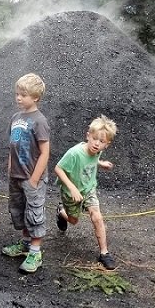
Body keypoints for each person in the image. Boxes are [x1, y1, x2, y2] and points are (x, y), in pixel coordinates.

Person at [1, 74, 51, 274]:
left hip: (33, 177)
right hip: (16, 175)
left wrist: (34, 179)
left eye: (23, 95)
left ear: (35, 97)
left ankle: (36, 252)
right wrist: (10, 165)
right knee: (19, 211)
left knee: (34, 213)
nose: (18, 98)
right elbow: (13, 144)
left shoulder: (39, 121)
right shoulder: (16, 118)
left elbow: (45, 152)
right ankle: (25, 244)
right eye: (17, 94)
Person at [55, 115, 119, 270]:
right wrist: (72, 188)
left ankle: (104, 253)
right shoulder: (74, 153)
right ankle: (61, 212)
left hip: (89, 189)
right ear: (88, 136)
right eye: (95, 138)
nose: (97, 143)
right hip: (71, 192)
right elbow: (58, 168)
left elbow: (91, 160)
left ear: (107, 144)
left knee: (97, 216)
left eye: (102, 141)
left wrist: (100, 163)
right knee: (73, 221)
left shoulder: (97, 151)